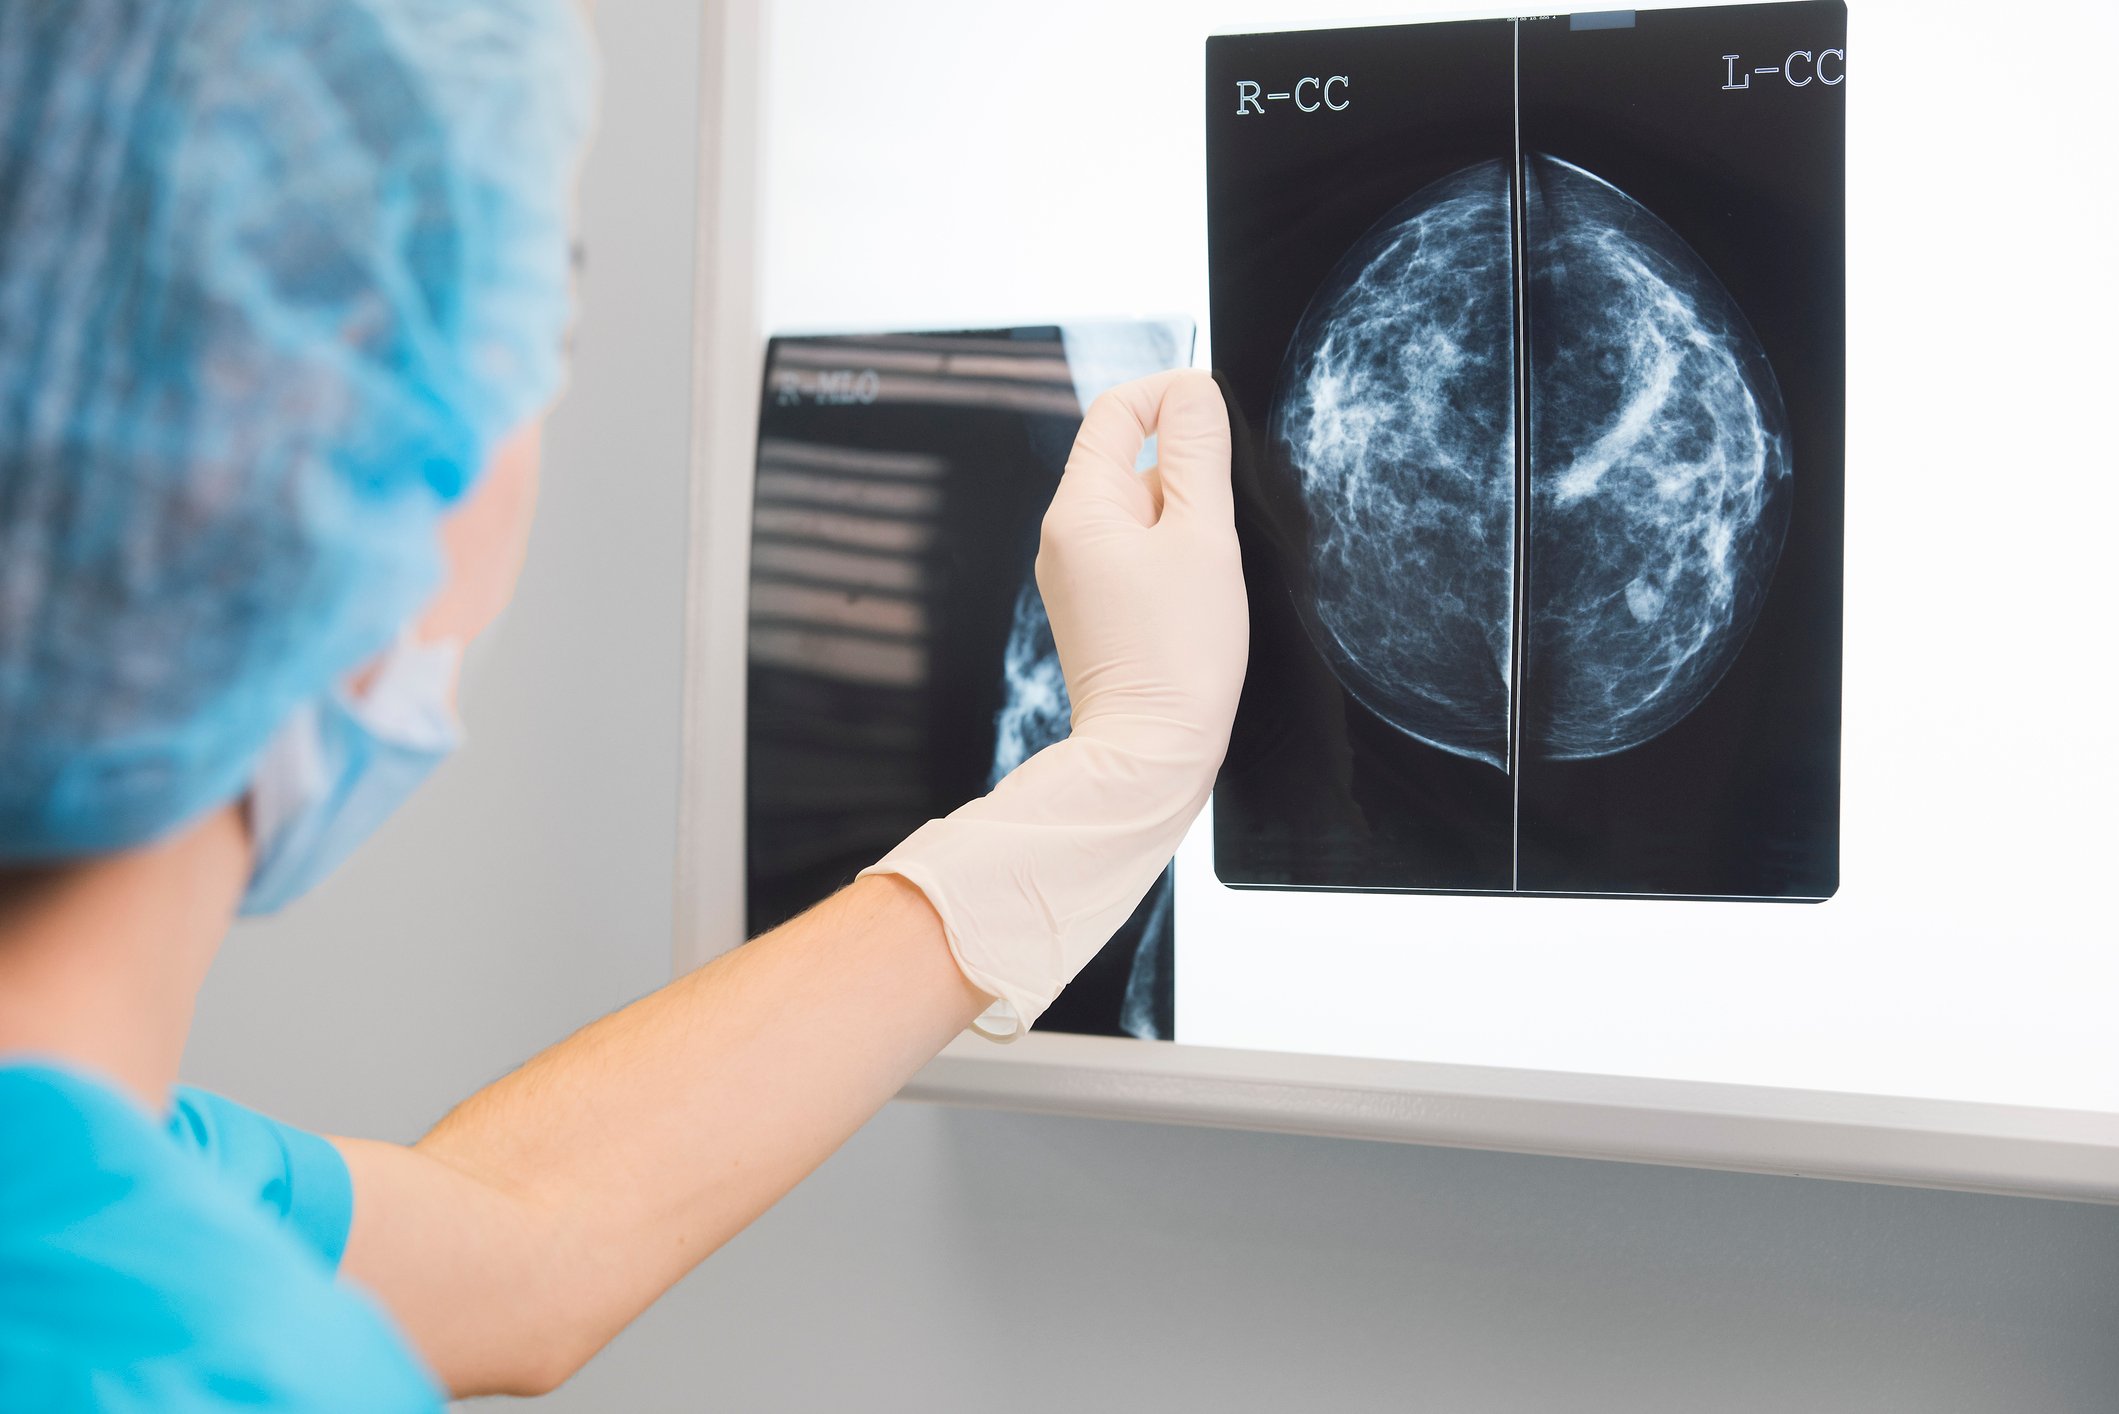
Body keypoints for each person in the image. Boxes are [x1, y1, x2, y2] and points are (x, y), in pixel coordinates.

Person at [0, 2, 1247, 1407]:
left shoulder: (91, 1188)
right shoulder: (197, 1369)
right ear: (329, 438)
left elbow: (521, 1245)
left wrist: (1104, 785)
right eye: (533, 337)